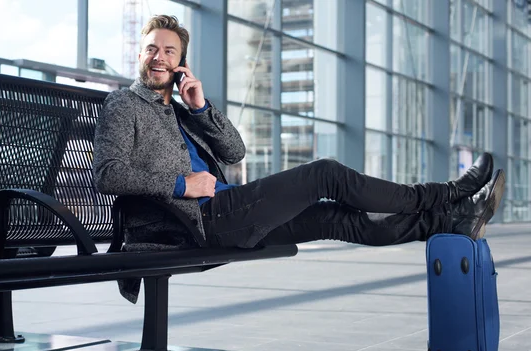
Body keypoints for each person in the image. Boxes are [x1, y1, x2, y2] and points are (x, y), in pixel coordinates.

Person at [93, 15, 505, 301]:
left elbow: (235, 152)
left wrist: (201, 108)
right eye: (151, 49)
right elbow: (108, 174)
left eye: (168, 51)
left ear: (181, 62)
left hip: (223, 211)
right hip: (194, 220)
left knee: (334, 218)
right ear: (141, 54)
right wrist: (183, 185)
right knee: (324, 174)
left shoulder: (183, 109)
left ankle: (452, 220)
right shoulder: (123, 105)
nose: (158, 57)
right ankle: (448, 193)